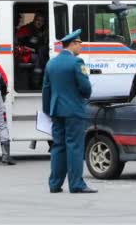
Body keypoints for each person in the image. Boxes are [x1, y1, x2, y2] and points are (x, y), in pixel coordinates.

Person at [43, 29, 96, 194]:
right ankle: (76, 184)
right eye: (79, 43)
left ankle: (54, 184)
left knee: (58, 147)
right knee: (75, 147)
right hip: (74, 111)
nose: (80, 46)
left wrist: (48, 110)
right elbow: (86, 87)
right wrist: (84, 97)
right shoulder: (76, 62)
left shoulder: (51, 63)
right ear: (73, 44)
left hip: (56, 110)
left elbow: (46, 89)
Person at [16, 13, 48, 88]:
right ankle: (36, 81)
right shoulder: (26, 29)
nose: (39, 22)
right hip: (26, 54)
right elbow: (19, 45)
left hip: (38, 52)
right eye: (38, 20)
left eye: (42, 21)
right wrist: (33, 49)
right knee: (40, 59)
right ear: (34, 20)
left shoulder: (42, 31)